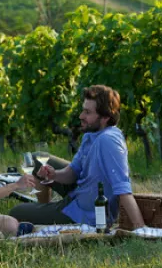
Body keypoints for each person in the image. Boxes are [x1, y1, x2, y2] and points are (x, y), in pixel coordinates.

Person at [9, 85, 146, 229]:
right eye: (83, 110)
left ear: (105, 117)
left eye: (87, 112)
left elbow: (123, 188)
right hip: (78, 194)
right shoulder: (91, 135)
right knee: (37, 158)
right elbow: (73, 172)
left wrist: (141, 229)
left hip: (85, 214)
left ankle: (48, 215)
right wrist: (54, 175)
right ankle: (46, 212)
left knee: (15, 213)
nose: (81, 116)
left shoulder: (108, 141)